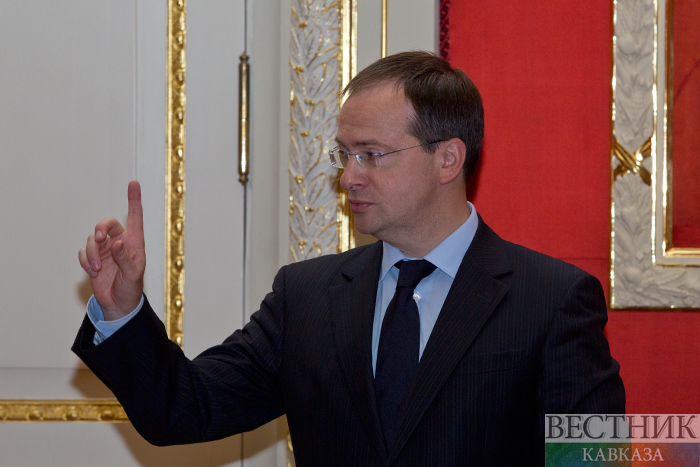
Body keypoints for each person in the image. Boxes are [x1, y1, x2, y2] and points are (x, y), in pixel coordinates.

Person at [74, 51, 625, 466]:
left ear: (448, 159)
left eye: (371, 155)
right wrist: (122, 312)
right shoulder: (306, 298)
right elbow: (183, 410)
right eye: (345, 155)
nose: (348, 177)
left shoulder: (552, 300)